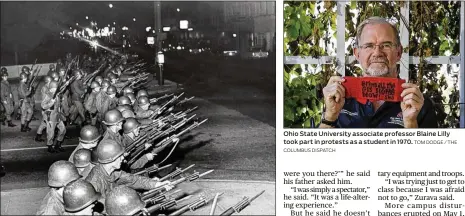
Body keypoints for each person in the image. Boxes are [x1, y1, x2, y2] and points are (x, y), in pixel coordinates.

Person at [320, 16, 438, 128]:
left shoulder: (419, 104)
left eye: (386, 45)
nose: (377, 53)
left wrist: (410, 123)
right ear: (357, 53)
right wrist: (330, 116)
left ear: (398, 53)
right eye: (369, 46)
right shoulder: (339, 98)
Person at [85, 139, 171, 199]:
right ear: (110, 159)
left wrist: (157, 184)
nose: (123, 158)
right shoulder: (94, 183)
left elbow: (134, 180)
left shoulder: (113, 172)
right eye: (119, 156)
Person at [41, 81, 67, 153]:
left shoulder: (57, 95)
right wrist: (51, 102)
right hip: (51, 117)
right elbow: (43, 105)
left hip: (57, 116)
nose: (57, 90)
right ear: (52, 89)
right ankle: (49, 146)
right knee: (51, 133)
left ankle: (58, 145)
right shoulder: (48, 95)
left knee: (63, 130)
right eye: (56, 88)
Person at [35, 76, 53, 142]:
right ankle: (50, 139)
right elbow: (47, 98)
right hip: (46, 108)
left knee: (44, 123)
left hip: (46, 107)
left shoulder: (46, 87)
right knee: (48, 123)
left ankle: (38, 136)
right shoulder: (45, 88)